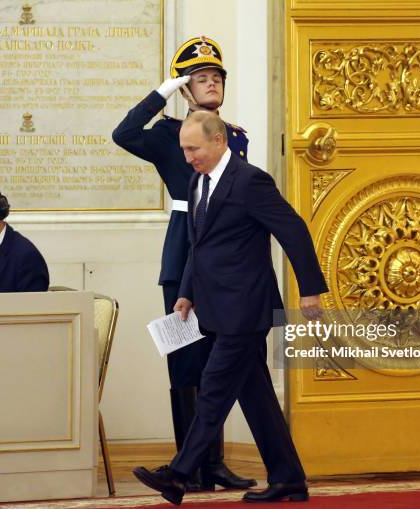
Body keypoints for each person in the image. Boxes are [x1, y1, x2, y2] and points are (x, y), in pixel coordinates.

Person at [132, 111, 329, 505]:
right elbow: (198, 244)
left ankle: (179, 474)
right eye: (184, 149)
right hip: (216, 308)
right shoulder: (197, 181)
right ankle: (289, 478)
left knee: (214, 390)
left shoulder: (250, 181)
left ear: (218, 141)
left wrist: (310, 290)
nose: (187, 157)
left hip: (246, 309)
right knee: (257, 399)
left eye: (193, 148)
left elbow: (293, 229)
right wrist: (186, 291)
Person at [112, 36, 253, 491]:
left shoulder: (237, 136)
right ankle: (188, 468)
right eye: (200, 79)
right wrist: (164, 90)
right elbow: (123, 134)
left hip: (222, 258)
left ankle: (210, 464)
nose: (211, 84)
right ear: (187, 89)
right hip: (182, 254)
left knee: (217, 362)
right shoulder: (168, 134)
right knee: (185, 363)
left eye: (216, 77)